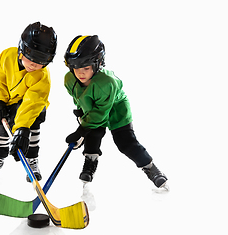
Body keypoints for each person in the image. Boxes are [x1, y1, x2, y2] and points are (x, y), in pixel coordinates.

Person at [63, 35, 168, 188]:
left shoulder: (106, 83)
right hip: (94, 110)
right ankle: (90, 161)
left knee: (125, 143)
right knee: (93, 137)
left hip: (115, 110)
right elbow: (78, 98)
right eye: (76, 68)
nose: (80, 73)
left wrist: (81, 130)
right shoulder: (69, 80)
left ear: (97, 64)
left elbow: (100, 113)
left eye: (86, 68)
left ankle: (151, 168)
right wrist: (81, 116)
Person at [0, 22, 57, 182]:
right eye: (31, 58)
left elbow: (32, 103)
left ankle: (32, 161)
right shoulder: (6, 56)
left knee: (33, 125)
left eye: (42, 60)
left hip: (32, 107)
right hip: (9, 100)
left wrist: (22, 129)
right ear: (22, 49)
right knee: (0, 125)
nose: (35, 64)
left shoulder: (42, 76)